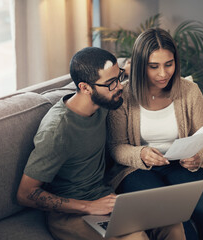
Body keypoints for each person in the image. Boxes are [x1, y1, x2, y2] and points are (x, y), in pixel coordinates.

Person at [16, 47, 185, 240]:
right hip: (70, 215)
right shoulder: (57, 131)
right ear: (85, 88)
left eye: (119, 78)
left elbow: (126, 72)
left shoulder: (104, 103)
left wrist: (127, 70)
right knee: (135, 237)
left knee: (172, 221)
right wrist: (88, 206)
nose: (120, 87)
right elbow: (25, 193)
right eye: (112, 83)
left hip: (106, 198)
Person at [107, 28, 203, 240]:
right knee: (172, 217)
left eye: (169, 64)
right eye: (153, 66)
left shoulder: (190, 91)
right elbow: (116, 146)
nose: (163, 74)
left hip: (180, 164)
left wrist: (197, 155)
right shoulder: (124, 96)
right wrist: (141, 154)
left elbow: (202, 135)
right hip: (138, 169)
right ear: (139, 65)